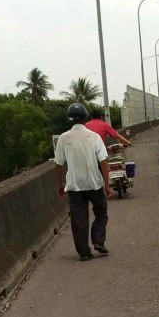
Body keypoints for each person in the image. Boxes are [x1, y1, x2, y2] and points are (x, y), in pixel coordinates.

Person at [54, 103, 112, 261]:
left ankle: (84, 253)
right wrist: (107, 184)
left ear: (69, 119)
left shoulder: (63, 138)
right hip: (94, 183)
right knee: (101, 212)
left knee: (78, 219)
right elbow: (104, 161)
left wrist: (60, 184)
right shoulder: (94, 137)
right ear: (85, 116)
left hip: (74, 185)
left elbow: (59, 164)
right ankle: (98, 240)